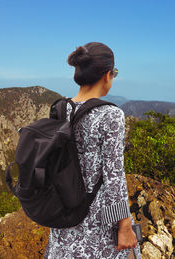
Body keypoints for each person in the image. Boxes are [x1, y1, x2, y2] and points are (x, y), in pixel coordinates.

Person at [44, 42, 141, 259]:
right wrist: (124, 226)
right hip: (98, 221)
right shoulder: (110, 115)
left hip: (64, 216)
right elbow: (114, 176)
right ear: (107, 75)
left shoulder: (61, 108)